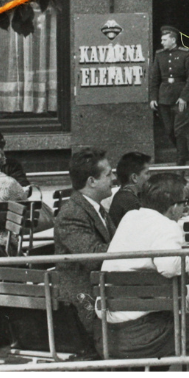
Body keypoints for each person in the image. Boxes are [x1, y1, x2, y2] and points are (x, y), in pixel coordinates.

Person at [99, 172, 189, 368]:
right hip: (145, 334)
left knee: (182, 322)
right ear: (173, 207)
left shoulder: (130, 217)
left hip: (108, 333)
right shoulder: (167, 226)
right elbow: (169, 265)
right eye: (184, 203)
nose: (184, 208)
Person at [53, 148, 116, 345]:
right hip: (84, 305)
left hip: (102, 292)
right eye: (109, 174)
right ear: (92, 181)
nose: (114, 178)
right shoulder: (73, 213)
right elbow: (93, 255)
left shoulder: (94, 208)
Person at [149, 25, 189, 166]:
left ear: (173, 40)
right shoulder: (159, 55)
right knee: (169, 130)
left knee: (179, 130)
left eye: (164, 40)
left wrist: (184, 97)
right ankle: (184, 153)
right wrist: (153, 97)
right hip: (164, 98)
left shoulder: (185, 54)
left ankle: (181, 160)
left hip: (181, 98)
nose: (162, 42)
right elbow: (154, 78)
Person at [109, 151, 151, 229]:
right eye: (147, 173)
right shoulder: (130, 201)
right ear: (134, 177)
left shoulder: (123, 196)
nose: (149, 177)